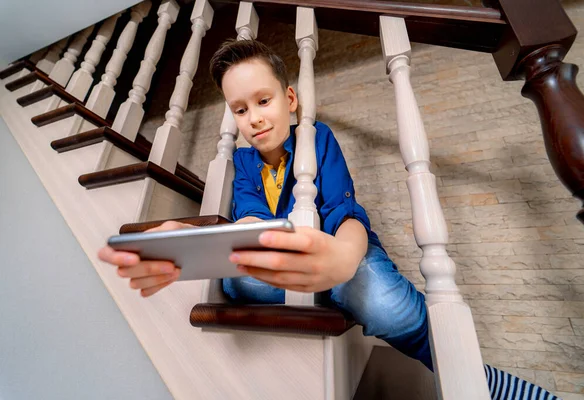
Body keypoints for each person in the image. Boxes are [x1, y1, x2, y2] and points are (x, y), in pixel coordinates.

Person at [99, 39, 558, 400]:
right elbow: (251, 223)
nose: (254, 119)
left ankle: (484, 382)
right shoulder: (242, 164)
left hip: (337, 245)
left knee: (382, 302)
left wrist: (345, 255)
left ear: (291, 99)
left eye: (263, 101)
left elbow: (344, 210)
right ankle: (331, 282)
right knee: (242, 282)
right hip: (279, 258)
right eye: (240, 110)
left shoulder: (317, 138)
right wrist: (190, 235)